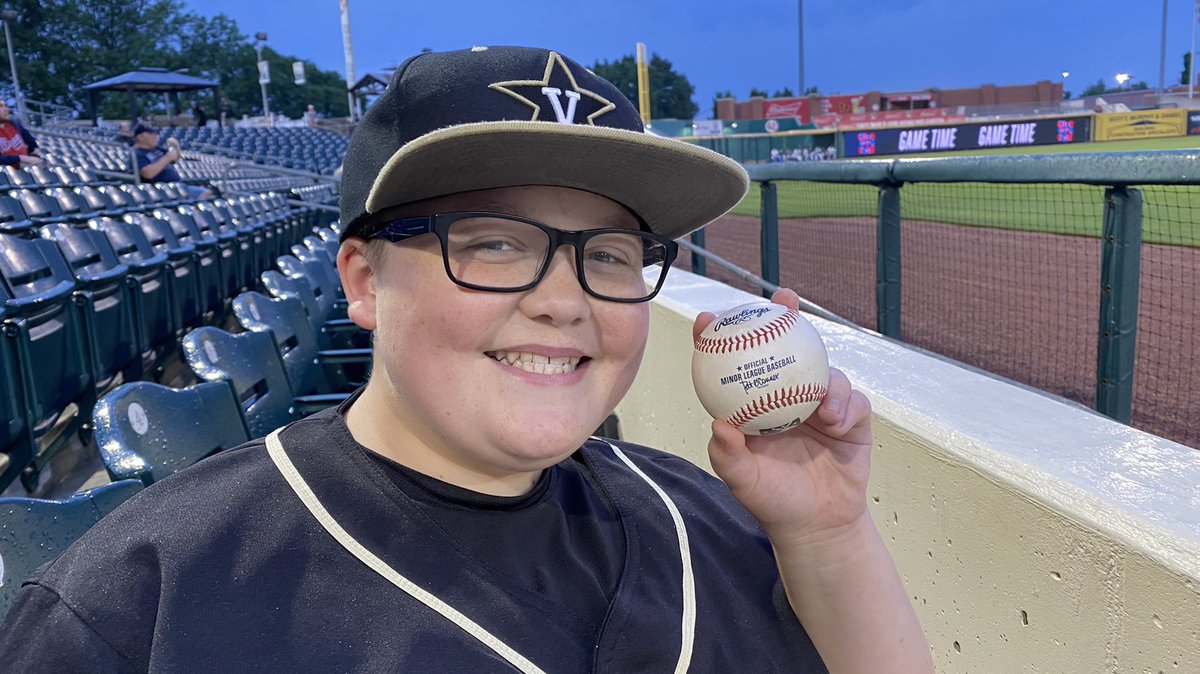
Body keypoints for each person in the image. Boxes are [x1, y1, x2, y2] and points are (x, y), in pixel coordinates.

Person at [0, 46, 933, 672]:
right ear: (364, 281)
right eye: (492, 243)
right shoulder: (145, 601)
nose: (565, 299)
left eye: (610, 255)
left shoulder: (706, 509)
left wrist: (829, 533)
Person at [131, 123, 212, 199]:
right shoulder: (137, 153)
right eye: (151, 133)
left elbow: (174, 159)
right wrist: (167, 158)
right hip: (161, 190)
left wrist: (176, 147)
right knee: (206, 193)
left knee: (208, 192)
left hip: (177, 186)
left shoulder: (157, 149)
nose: (155, 136)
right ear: (140, 137)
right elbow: (147, 174)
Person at [0, 100, 42, 168]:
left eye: (5, 106)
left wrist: (35, 155)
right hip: (9, 171)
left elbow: (33, 145)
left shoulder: (15, 124)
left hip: (28, 167)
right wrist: (20, 158)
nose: (6, 109)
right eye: (0, 106)